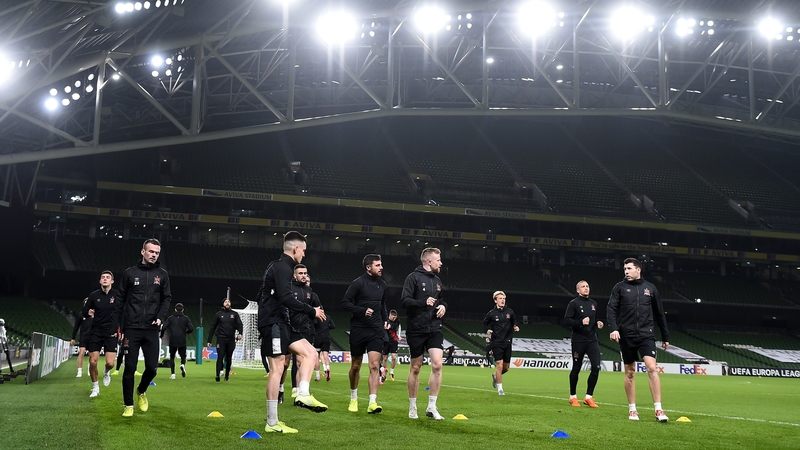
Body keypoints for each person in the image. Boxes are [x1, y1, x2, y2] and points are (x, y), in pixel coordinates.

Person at [257, 231, 328, 434]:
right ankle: (272, 422)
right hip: (274, 324)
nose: (304, 255)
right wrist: (312, 310)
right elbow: (286, 298)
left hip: (283, 322)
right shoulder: (281, 267)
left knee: (310, 353)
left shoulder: (283, 268)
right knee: (277, 369)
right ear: (295, 248)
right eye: (303, 251)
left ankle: (303, 393)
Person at [607, 258, 670, 422]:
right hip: (626, 335)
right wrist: (614, 328)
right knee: (630, 372)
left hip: (646, 334)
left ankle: (658, 409)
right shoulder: (619, 288)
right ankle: (632, 410)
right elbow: (611, 308)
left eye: (629, 268)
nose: (626, 271)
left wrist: (665, 336)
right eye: (624, 269)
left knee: (652, 368)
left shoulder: (650, 288)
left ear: (638, 270)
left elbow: (659, 312)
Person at [115, 238, 172, 418]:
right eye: (151, 251)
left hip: (151, 329)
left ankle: (141, 390)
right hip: (131, 328)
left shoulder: (162, 275)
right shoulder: (130, 273)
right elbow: (120, 300)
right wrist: (119, 326)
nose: (154, 255)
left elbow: (167, 299)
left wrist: (160, 317)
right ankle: (128, 405)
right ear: (143, 252)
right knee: (129, 368)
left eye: (156, 252)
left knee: (152, 368)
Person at [401, 247, 447, 420]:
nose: (441, 263)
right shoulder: (412, 278)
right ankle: (413, 407)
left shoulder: (437, 280)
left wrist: (444, 306)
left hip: (434, 328)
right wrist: (422, 302)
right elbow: (404, 301)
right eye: (438, 260)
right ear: (429, 261)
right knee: (415, 367)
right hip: (416, 328)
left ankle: (432, 407)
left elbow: (441, 299)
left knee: (437, 365)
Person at [341, 254, 388, 414]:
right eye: (377, 265)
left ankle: (372, 402)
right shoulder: (358, 283)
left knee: (374, 366)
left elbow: (382, 305)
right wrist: (361, 310)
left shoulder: (382, 285)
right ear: (368, 267)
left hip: (376, 329)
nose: (381, 268)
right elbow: (345, 302)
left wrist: (386, 319)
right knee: (355, 366)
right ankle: (353, 398)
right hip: (359, 328)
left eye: (381, 265)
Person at [563, 280, 603, 408]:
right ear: (578, 290)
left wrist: (598, 323)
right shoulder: (573, 303)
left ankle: (589, 397)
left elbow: (594, 318)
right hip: (578, 340)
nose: (586, 288)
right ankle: (573, 397)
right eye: (583, 287)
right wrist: (580, 322)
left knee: (596, 367)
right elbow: (567, 320)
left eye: (587, 286)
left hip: (592, 340)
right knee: (576, 368)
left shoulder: (593, 304)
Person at [84, 271, 120, 398]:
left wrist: (121, 330)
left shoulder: (117, 295)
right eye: (103, 277)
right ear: (100, 281)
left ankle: (106, 372)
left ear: (112, 281)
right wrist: (88, 312)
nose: (105, 279)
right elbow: (84, 311)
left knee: (110, 363)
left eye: (107, 277)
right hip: (96, 332)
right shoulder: (94, 295)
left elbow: (123, 313)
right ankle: (95, 388)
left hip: (111, 332)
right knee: (93, 362)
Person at [286, 265, 320, 398]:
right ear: (295, 275)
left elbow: (318, 310)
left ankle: (300, 391)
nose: (304, 275)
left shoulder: (310, 292)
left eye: (305, 273)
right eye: (300, 273)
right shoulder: (289, 289)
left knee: (301, 361)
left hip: (305, 330)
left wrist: (315, 319)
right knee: (284, 363)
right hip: (289, 329)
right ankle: (282, 389)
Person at [482, 291, 519, 396]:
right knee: (499, 364)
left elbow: (514, 321)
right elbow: (484, 324)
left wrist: (515, 326)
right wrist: (487, 330)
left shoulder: (510, 312)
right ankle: (500, 389)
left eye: (504, 298)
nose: (502, 300)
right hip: (496, 342)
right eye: (500, 298)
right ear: (495, 300)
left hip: (507, 342)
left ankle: (495, 375)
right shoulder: (491, 313)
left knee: (506, 368)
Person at [207, 298, 243, 382]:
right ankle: (217, 375)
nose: (227, 303)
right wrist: (209, 340)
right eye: (225, 302)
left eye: (228, 302)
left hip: (231, 340)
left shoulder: (235, 314)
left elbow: (239, 324)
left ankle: (227, 376)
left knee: (229, 358)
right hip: (221, 339)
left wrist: (240, 333)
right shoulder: (219, 314)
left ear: (230, 304)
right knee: (220, 357)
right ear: (223, 304)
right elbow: (213, 327)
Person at [161, 303, 194, 380]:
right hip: (182, 339)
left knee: (172, 357)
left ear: (175, 309)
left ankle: (173, 374)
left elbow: (164, 327)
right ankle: (182, 364)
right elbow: (191, 328)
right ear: (183, 310)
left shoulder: (171, 318)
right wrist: (186, 332)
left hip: (173, 339)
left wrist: (162, 335)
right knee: (183, 356)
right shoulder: (185, 318)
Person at [70, 298, 92, 378]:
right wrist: (73, 338)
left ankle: (90, 370)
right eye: (85, 303)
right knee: (81, 352)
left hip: (92, 337)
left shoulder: (95, 314)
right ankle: (79, 371)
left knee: (91, 355)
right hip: (83, 336)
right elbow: (76, 327)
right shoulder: (81, 314)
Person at [313, 304, 335, 382]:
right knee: (325, 355)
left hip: (317, 338)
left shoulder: (316, 317)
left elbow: (313, 325)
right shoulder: (328, 317)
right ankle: (328, 369)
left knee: (317, 356)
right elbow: (333, 326)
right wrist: (326, 327)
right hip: (326, 338)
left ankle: (317, 375)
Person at [380, 309, 400, 382]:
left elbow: (395, 327)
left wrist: (389, 326)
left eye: (395, 317)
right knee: (385, 358)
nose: (394, 318)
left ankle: (391, 372)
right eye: (393, 316)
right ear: (390, 315)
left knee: (394, 357)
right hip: (386, 341)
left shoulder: (397, 321)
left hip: (394, 341)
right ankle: (384, 372)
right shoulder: (385, 320)